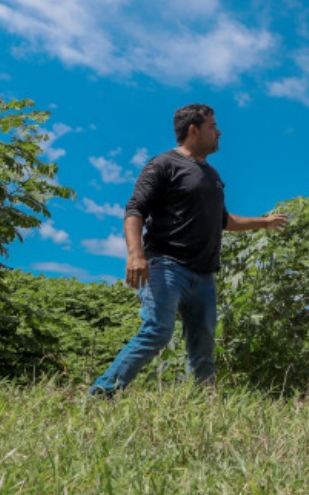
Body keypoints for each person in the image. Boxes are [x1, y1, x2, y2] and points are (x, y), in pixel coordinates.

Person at [90, 104, 288, 396]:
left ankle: (201, 408)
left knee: (203, 346)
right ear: (193, 130)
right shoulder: (163, 164)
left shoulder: (212, 174)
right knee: (156, 332)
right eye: (213, 126)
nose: (219, 131)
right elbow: (135, 210)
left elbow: (224, 220)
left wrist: (264, 222)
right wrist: (135, 255)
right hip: (166, 266)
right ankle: (102, 393)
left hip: (204, 275)